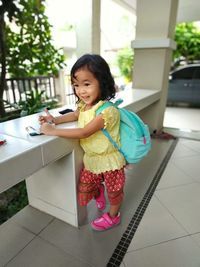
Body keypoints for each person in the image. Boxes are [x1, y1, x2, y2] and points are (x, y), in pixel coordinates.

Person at [39, 54, 126, 231]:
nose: (81, 91)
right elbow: (75, 114)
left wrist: (52, 131)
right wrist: (54, 120)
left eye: (87, 84)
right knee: (86, 185)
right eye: (76, 85)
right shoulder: (84, 106)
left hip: (110, 160)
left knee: (114, 191)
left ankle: (113, 216)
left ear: (102, 82)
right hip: (92, 158)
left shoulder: (107, 111)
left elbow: (85, 132)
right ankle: (98, 190)